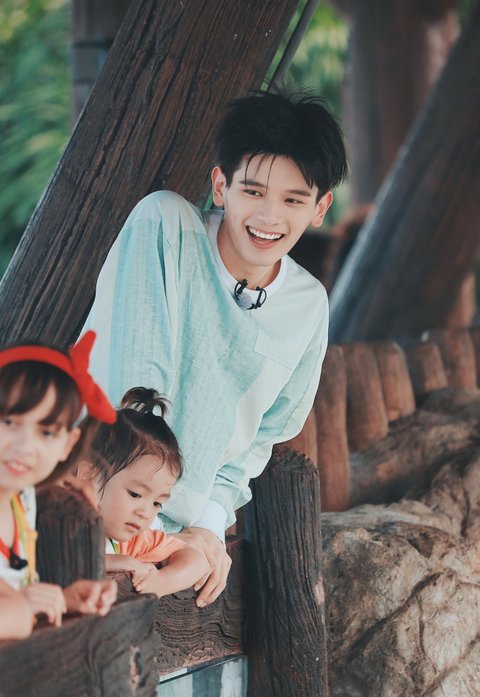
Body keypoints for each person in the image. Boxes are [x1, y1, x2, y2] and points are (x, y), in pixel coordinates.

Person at [83, 90, 348, 606]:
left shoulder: (308, 305)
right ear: (221, 185)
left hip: (170, 533)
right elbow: (133, 385)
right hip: (86, 503)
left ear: (320, 208)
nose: (269, 217)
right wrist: (143, 530)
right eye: (253, 191)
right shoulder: (166, 226)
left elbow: (260, 439)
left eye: (293, 200)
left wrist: (205, 529)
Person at [0, 331, 118, 638]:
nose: (24, 446)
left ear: (68, 444)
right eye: (9, 422)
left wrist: (61, 600)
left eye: (46, 432)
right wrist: (22, 610)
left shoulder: (22, 499)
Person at [64, 387, 210, 597]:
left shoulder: (127, 541)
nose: (145, 513)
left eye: (156, 503)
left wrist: (160, 582)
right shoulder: (52, 516)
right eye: (135, 494)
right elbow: (51, 555)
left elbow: (197, 561)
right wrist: (107, 561)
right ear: (88, 475)